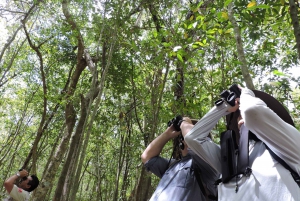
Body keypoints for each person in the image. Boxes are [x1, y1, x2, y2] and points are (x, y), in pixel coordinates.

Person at [180, 86, 300, 201]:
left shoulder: (287, 145)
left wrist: (246, 93)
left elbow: (252, 111)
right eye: (238, 115)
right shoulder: (230, 161)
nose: (241, 116)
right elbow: (193, 138)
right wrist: (223, 107)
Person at [141, 118, 219, 201]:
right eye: (183, 134)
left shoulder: (209, 164)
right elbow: (147, 157)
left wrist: (185, 121)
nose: (185, 136)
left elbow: (195, 140)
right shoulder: (172, 165)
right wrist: (167, 134)